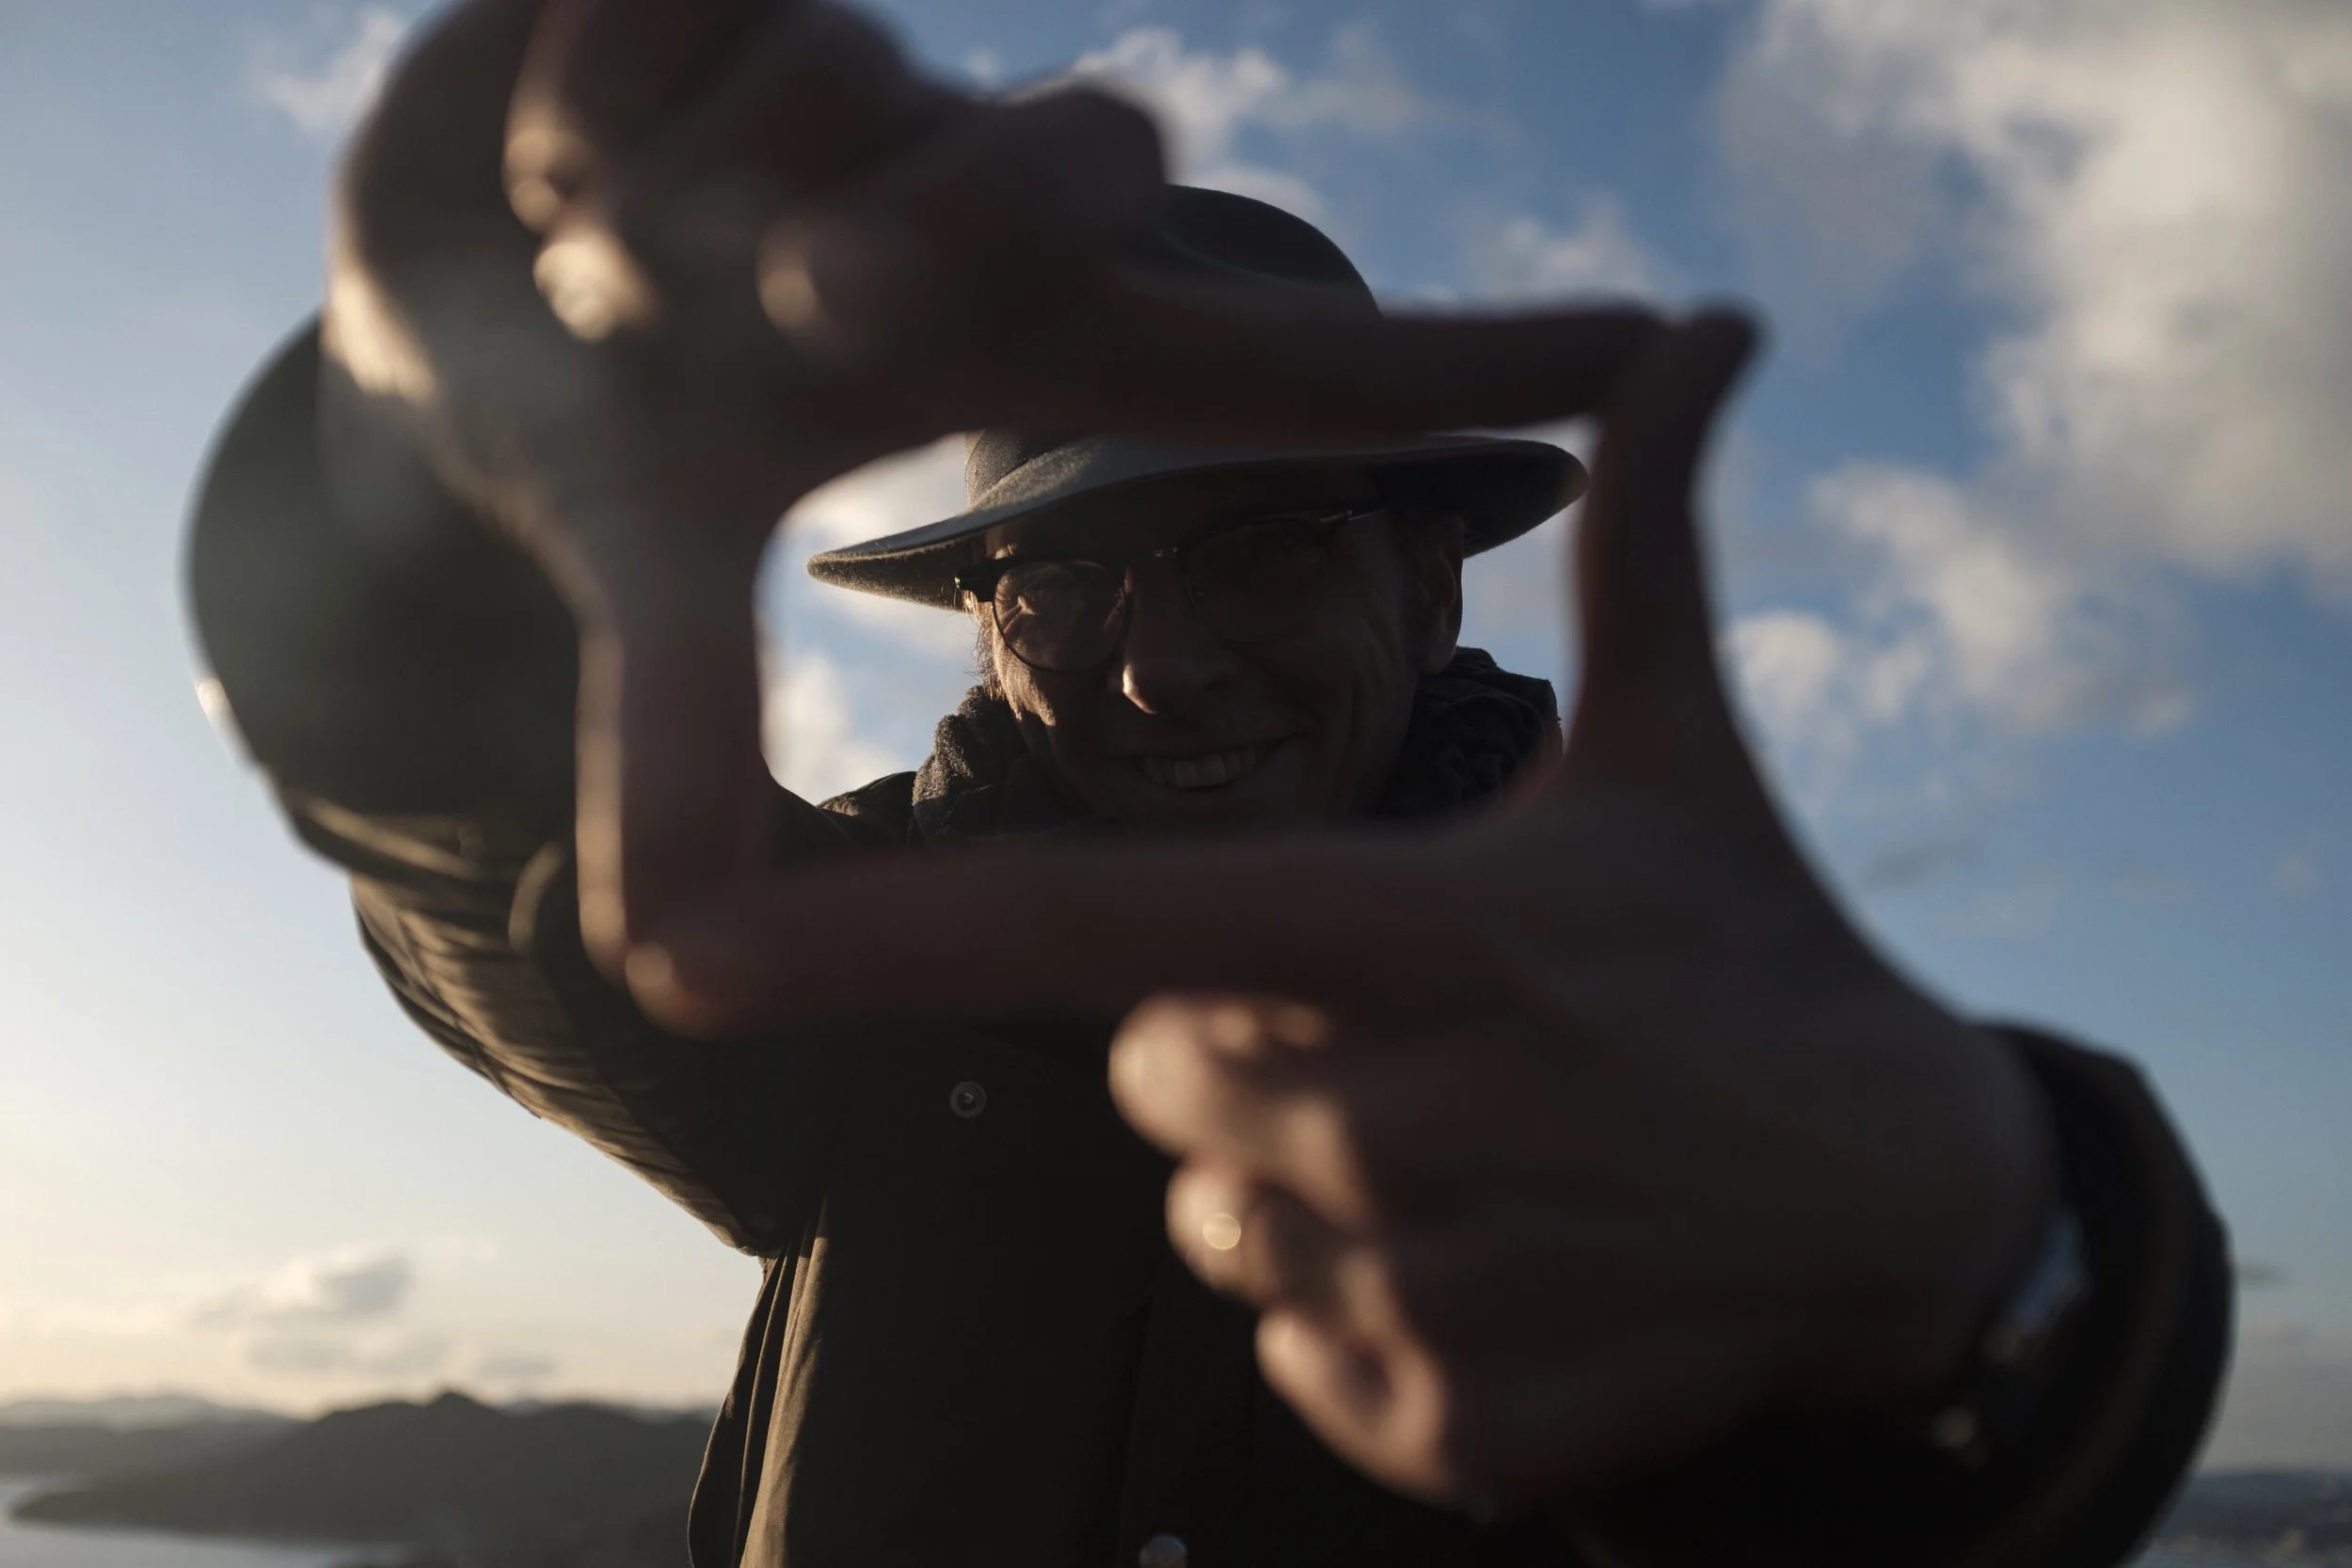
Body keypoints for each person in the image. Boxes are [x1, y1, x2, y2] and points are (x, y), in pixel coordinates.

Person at [187, 1, 2229, 1564]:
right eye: (1059, 583)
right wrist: (426, 489)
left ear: (1431, 580)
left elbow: (1960, 1469)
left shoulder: (1645, 1035)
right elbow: (490, 870)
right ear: (984, 626)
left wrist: (2001, 1251)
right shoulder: (824, 969)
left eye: (1263, 545)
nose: (1160, 663)